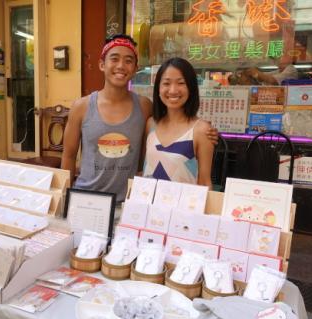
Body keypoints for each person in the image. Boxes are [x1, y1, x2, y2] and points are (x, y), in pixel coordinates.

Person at [61, 34, 218, 202]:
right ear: (102, 64)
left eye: (128, 61)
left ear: (135, 69)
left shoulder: (144, 108)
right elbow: (68, 156)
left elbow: (162, 142)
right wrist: (65, 197)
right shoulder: (81, 107)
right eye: (114, 59)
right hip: (86, 199)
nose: (121, 66)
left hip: (129, 201)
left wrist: (206, 134)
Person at [143, 57, 214, 188]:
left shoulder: (201, 130)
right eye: (166, 83)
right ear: (158, 88)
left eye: (181, 83)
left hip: (183, 207)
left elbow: (204, 182)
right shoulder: (151, 124)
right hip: (148, 206)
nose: (173, 90)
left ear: (191, 88)